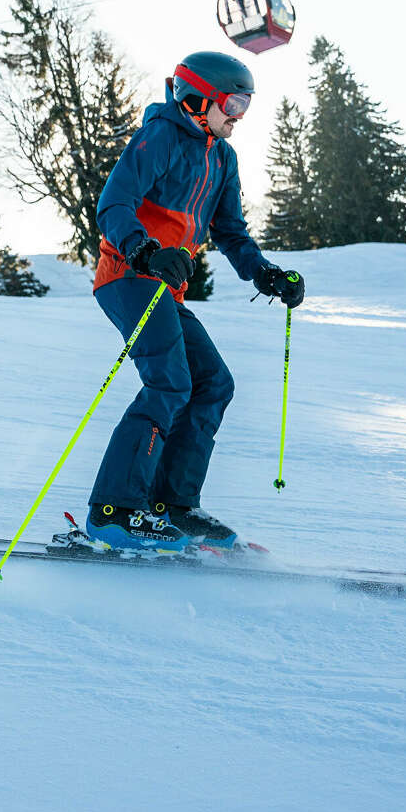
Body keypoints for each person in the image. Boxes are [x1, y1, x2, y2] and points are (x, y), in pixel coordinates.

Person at [81, 50, 305, 553]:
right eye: (233, 103)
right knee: (169, 381)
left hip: (166, 287)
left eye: (247, 104)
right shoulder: (159, 136)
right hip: (127, 275)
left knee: (212, 383)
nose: (240, 115)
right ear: (198, 99)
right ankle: (113, 511)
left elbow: (230, 232)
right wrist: (144, 251)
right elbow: (113, 203)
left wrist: (266, 275)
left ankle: (172, 505)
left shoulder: (222, 158)